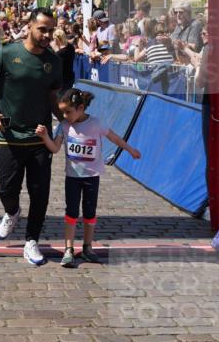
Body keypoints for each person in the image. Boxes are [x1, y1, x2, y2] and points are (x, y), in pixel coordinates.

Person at [0, 7, 62, 266]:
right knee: (7, 189)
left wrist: (69, 120)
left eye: (51, 29)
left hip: (40, 138)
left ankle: (31, 241)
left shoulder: (54, 61)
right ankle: (12, 212)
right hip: (9, 137)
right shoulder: (8, 53)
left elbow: (53, 98)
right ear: (30, 26)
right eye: (42, 29)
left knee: (40, 193)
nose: (47, 34)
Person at [36, 88, 141, 268]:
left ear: (81, 107)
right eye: (62, 112)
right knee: (71, 212)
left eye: (68, 112)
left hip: (91, 177)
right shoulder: (64, 126)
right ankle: (68, 249)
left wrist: (130, 150)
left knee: (90, 213)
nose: (65, 115)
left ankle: (87, 247)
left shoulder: (96, 124)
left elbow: (114, 138)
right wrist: (45, 136)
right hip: (73, 177)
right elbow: (55, 148)